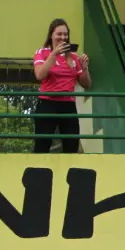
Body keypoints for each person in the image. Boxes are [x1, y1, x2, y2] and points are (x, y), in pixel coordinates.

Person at [32, 18, 90, 154]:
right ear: (51, 35)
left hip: (68, 105)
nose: (62, 37)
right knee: (42, 146)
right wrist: (54, 54)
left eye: (65, 34)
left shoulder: (74, 57)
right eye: (59, 34)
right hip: (47, 103)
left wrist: (85, 68)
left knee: (71, 146)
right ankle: (39, 174)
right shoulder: (42, 52)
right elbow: (40, 75)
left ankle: (68, 174)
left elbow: (86, 84)